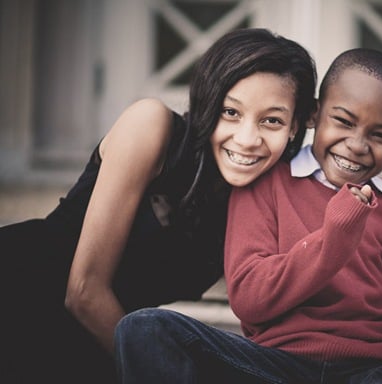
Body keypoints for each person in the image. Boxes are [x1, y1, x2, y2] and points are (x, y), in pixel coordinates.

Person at [114, 48, 382, 384]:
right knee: (144, 328)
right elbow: (249, 300)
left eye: (381, 135)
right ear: (314, 116)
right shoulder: (265, 183)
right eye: (343, 121)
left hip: (370, 366)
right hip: (275, 364)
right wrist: (332, 241)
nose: (357, 144)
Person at [0, 28, 317, 383]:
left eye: (272, 120)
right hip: (18, 299)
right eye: (230, 112)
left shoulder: (264, 194)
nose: (246, 139)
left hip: (94, 346)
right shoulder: (152, 126)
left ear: (296, 126)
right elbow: (84, 291)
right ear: (208, 102)